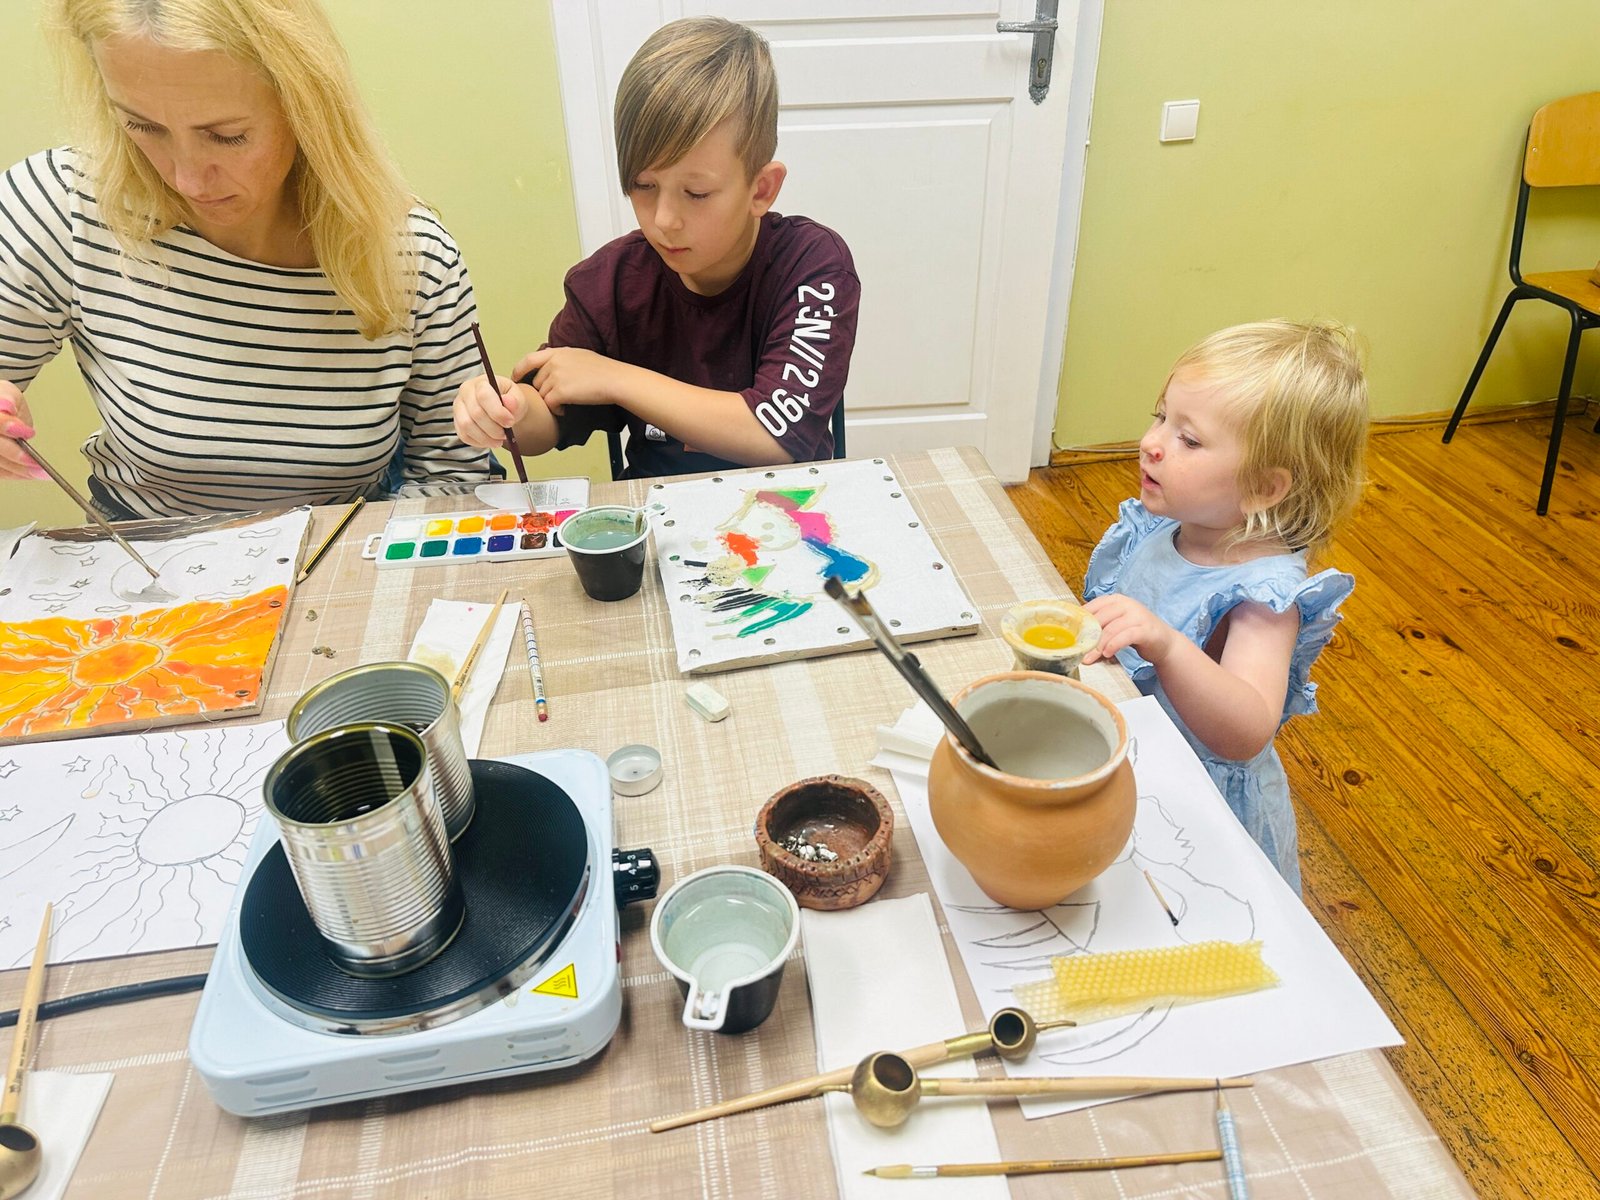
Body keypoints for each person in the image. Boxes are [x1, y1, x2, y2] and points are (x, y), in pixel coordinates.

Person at [0, 0, 498, 519]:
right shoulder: (61, 204)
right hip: (140, 563)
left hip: (338, 562)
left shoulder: (413, 256)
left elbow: (452, 477)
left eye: (226, 136)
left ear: (305, 105)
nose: (187, 179)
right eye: (142, 126)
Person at [453, 16, 860, 479]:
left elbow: (776, 436)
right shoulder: (607, 284)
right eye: (643, 185)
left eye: (697, 193)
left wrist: (615, 378)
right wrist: (504, 411)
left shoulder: (812, 265)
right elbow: (547, 419)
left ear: (761, 189)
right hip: (656, 515)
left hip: (790, 510)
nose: (664, 220)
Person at [1080, 320, 1369, 892]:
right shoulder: (1170, 529)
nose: (1151, 441)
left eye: (1188, 439)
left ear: (1264, 488)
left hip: (1202, 812)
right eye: (1161, 416)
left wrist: (1164, 643)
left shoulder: (1264, 597)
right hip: (1137, 766)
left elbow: (1246, 731)